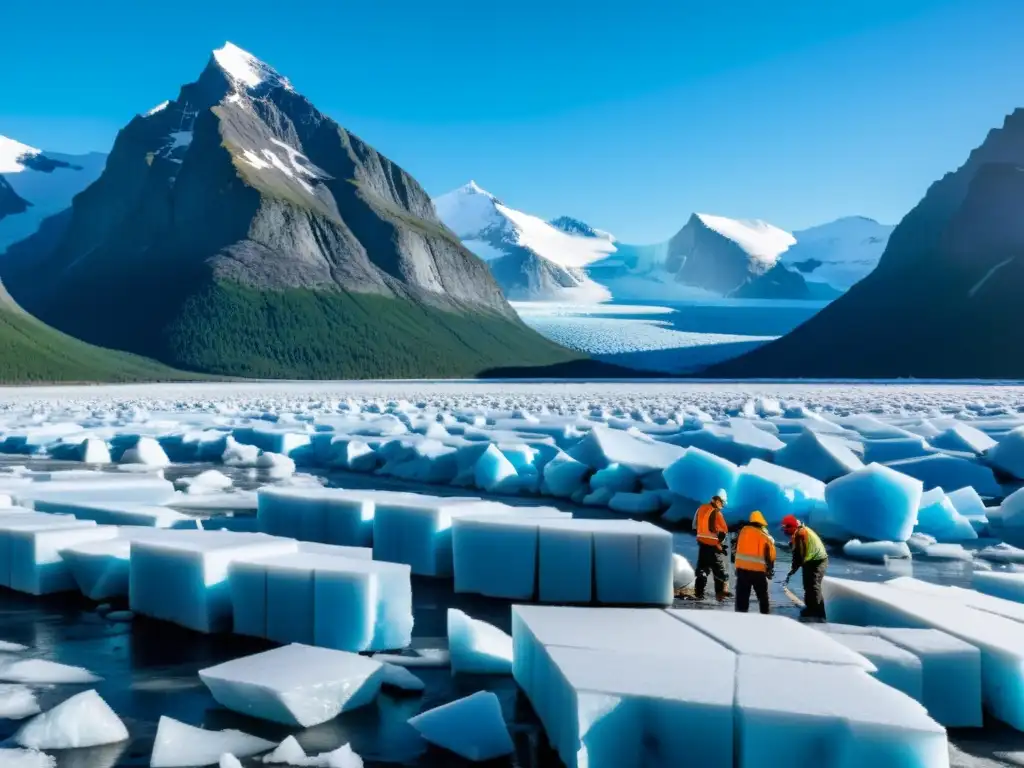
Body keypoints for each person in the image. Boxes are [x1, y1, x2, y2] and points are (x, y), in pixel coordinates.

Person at [781, 514, 828, 619]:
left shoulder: (800, 534)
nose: (784, 531)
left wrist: (793, 570)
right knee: (808, 585)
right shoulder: (798, 532)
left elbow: (798, 555)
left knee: (813, 586)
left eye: (786, 528)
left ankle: (818, 613)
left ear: (792, 526)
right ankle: (811, 608)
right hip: (811, 559)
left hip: (817, 560)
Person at [732, 511, 776, 614]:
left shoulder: (742, 531)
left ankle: (740, 618)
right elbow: (771, 555)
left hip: (742, 570)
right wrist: (770, 569)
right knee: (762, 598)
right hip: (758, 572)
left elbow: (735, 546)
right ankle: (765, 618)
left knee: (741, 598)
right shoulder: (764, 535)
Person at [692, 491, 730, 600]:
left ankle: (699, 594)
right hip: (713, 546)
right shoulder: (717, 513)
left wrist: (702, 537)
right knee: (719, 571)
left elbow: (694, 526)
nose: (722, 505)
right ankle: (720, 596)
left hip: (703, 544)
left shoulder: (701, 509)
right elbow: (722, 531)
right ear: (717, 501)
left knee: (702, 570)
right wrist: (720, 546)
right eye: (722, 503)